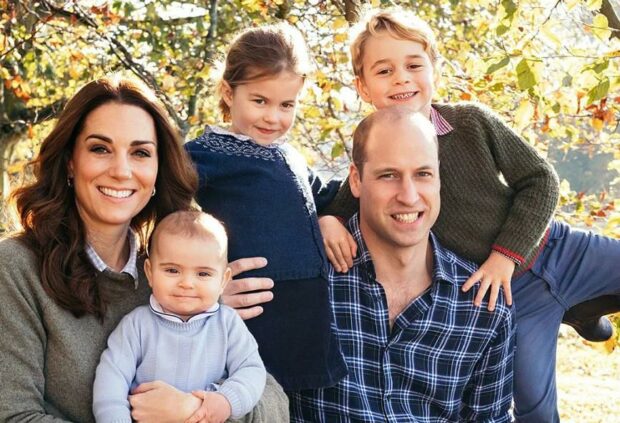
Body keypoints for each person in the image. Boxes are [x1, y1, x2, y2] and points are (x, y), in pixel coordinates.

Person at [319, 8, 620, 422]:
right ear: (363, 86)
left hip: (556, 249)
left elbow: (541, 180)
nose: (402, 79)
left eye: (413, 66)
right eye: (384, 71)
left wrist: (504, 255)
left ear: (434, 70)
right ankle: (577, 312)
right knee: (534, 406)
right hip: (510, 296)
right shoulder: (376, 151)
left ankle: (583, 311)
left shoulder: (472, 122)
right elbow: (343, 204)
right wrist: (328, 222)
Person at [0, 75, 288, 423]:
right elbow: (14, 415)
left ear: (157, 169)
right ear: (70, 162)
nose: (122, 171)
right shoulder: (17, 269)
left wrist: (195, 410)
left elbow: (275, 404)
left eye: (140, 153)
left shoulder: (179, 274)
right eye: (100, 149)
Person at [290, 107, 515, 422]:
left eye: (423, 174)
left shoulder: (482, 306)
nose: (409, 196)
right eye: (389, 175)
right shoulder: (303, 280)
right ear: (356, 180)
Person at [184, 23, 347, 392]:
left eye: (287, 105)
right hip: (255, 320)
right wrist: (204, 287)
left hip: (307, 326)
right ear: (228, 92)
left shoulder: (291, 156)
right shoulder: (206, 154)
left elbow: (328, 195)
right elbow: (162, 210)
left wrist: (329, 217)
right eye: (260, 101)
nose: (274, 117)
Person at [93, 210, 266, 423]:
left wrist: (226, 401)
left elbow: (251, 370)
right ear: (150, 272)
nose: (187, 283)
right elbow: (111, 382)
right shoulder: (136, 326)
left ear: (223, 279)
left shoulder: (228, 324)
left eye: (203, 273)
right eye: (172, 271)